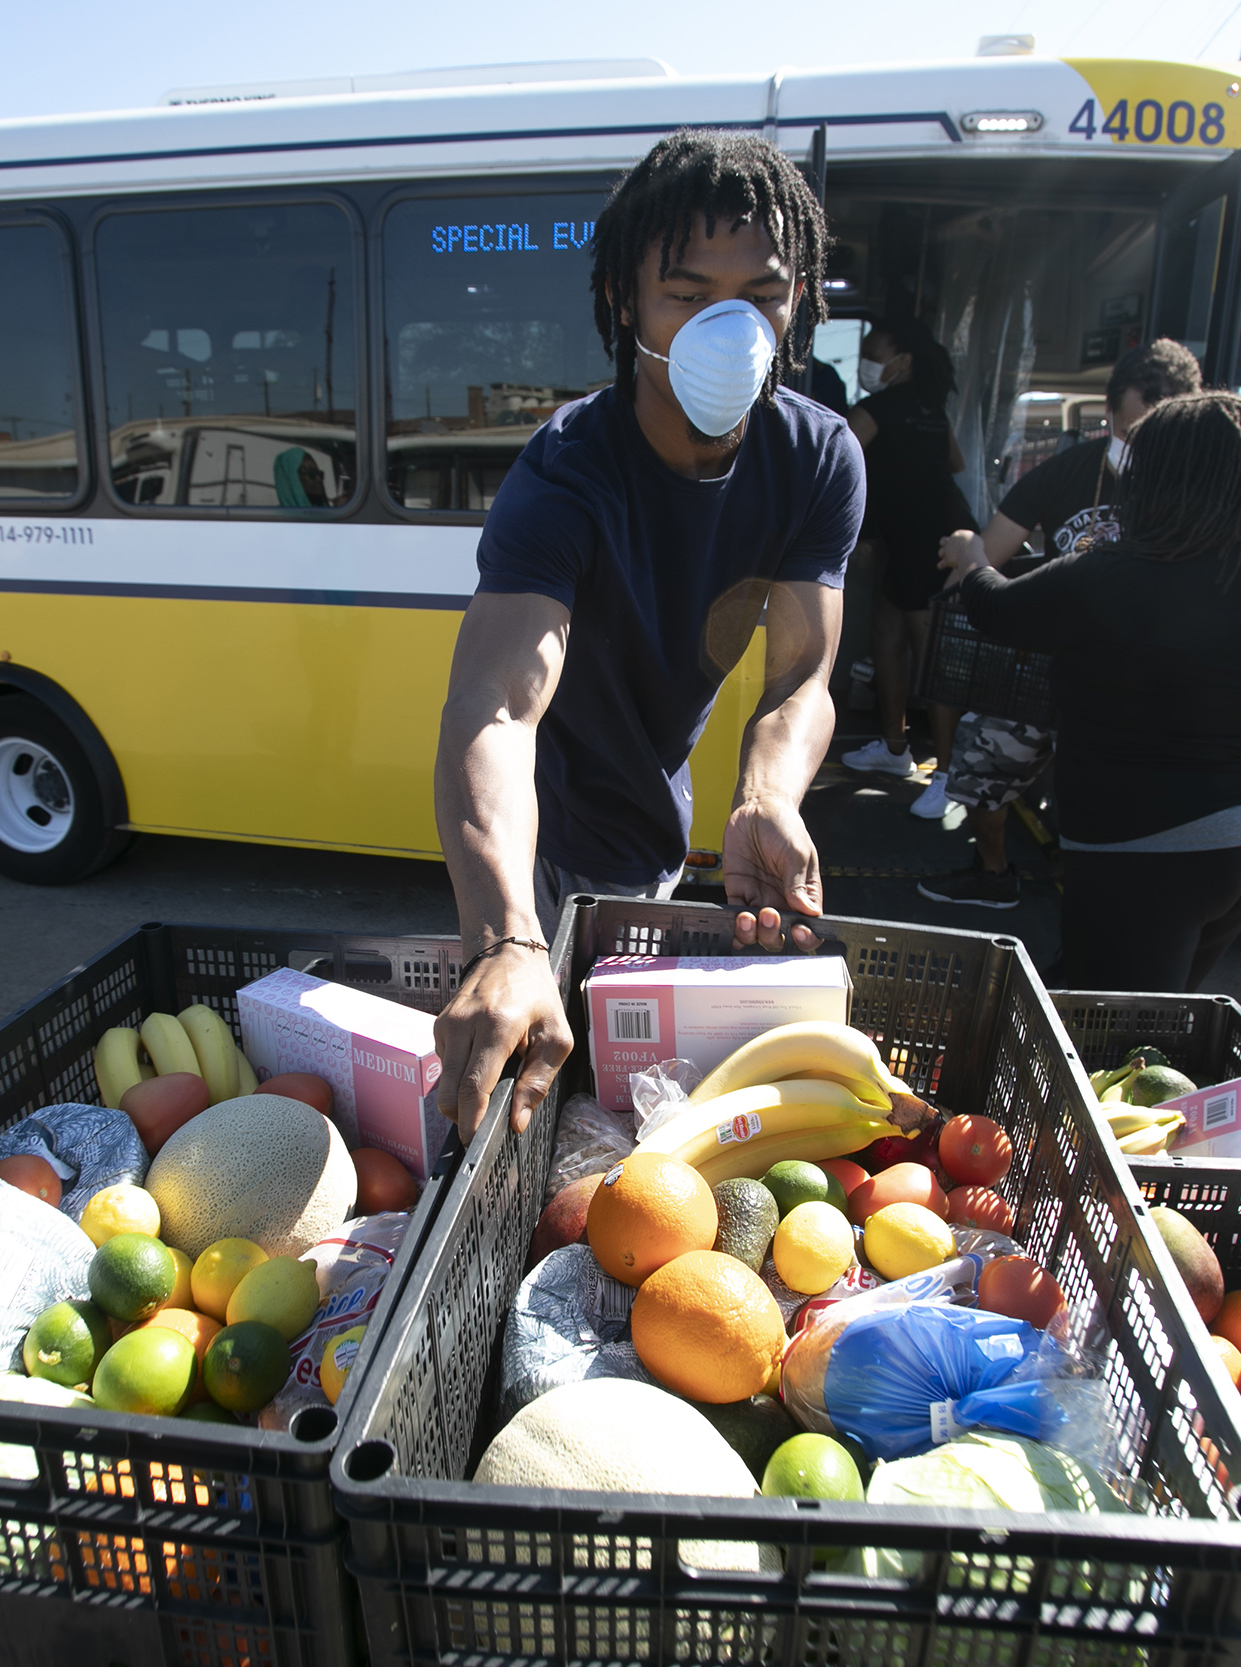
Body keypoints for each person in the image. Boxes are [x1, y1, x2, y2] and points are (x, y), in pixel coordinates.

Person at [430, 130, 866, 1140]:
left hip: (652, 821)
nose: (730, 326)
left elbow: (800, 669)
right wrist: (503, 933)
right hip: (529, 832)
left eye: (760, 293)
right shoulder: (567, 469)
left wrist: (765, 795)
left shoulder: (816, 457)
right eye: (685, 292)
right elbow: (497, 704)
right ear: (627, 302)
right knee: (524, 1048)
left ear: (798, 298)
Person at [934, 390, 1241, 990]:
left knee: (1113, 1035)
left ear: (1156, 478)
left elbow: (996, 611)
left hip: (1141, 844)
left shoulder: (1108, 575)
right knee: (1160, 1015)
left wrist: (971, 558)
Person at [917, 337, 1204, 908]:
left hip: (1133, 684)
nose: (1133, 445)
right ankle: (993, 872)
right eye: (1125, 430)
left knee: (1106, 802)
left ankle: (1101, 904)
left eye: (1151, 433)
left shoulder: (1200, 493)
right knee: (982, 762)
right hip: (1045, 667)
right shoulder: (1068, 473)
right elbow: (991, 553)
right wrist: (964, 557)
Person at [834, 316, 978, 818]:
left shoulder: (873, 409)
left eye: (875, 352)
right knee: (886, 639)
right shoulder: (931, 411)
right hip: (916, 536)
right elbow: (955, 463)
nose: (868, 361)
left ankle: (949, 775)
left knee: (930, 659)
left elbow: (831, 456)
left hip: (925, 545)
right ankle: (895, 749)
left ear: (903, 361)